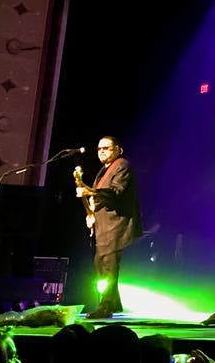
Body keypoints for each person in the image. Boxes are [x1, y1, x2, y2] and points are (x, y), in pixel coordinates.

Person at [74, 136, 143, 319]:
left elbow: (116, 191)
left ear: (118, 150)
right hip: (103, 225)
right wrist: (91, 213)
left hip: (115, 224)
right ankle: (113, 304)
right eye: (99, 149)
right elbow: (100, 196)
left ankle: (105, 306)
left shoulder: (122, 166)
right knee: (102, 264)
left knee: (107, 265)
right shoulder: (105, 170)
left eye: (106, 148)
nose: (102, 151)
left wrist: (90, 191)